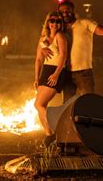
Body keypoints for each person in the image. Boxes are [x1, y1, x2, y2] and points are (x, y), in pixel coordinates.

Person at [44, 0, 103, 100]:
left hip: (84, 73)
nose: (65, 14)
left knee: (88, 103)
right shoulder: (60, 29)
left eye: (67, 10)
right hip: (66, 73)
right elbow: (46, 41)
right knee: (67, 106)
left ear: (73, 10)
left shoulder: (85, 23)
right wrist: (43, 50)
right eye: (62, 12)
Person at [34, 11, 68, 148]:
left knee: (38, 105)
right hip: (45, 71)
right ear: (48, 22)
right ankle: (49, 136)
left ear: (61, 24)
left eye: (58, 21)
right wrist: (36, 77)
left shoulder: (60, 36)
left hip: (56, 71)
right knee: (40, 105)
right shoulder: (43, 38)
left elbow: (63, 56)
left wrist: (56, 74)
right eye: (52, 21)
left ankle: (50, 133)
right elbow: (38, 59)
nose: (55, 23)